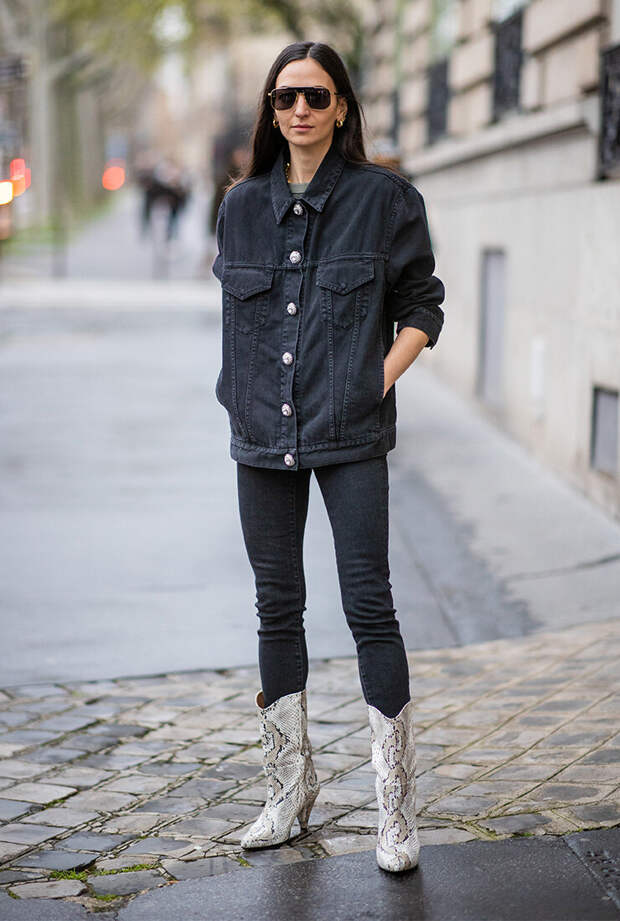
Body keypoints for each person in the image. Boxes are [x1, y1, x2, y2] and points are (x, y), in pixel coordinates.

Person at [211, 41, 445, 874]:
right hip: (261, 436)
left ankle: (395, 809)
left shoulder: (386, 200)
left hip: (350, 431)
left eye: (316, 96)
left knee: (369, 605)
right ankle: (289, 791)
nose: (301, 111)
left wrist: (371, 381)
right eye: (286, 98)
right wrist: (239, 398)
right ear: (270, 111)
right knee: (277, 606)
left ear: (341, 106)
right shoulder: (241, 205)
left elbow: (422, 306)